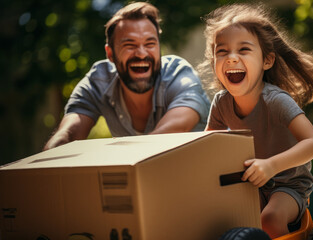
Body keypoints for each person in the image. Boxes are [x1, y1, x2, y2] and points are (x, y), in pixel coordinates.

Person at [200, 3, 313, 238]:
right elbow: (206, 146)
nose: (231, 58)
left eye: (243, 50)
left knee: (270, 219)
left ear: (267, 61)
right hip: (249, 184)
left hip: (288, 186)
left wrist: (271, 165)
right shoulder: (221, 103)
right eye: (222, 51)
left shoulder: (275, 100)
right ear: (214, 62)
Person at [44, 2, 210, 150]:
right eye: (129, 45)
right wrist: (48, 157)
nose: (141, 53)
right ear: (110, 54)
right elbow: (68, 135)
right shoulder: (98, 81)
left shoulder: (179, 74)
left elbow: (172, 131)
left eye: (150, 44)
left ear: (159, 48)